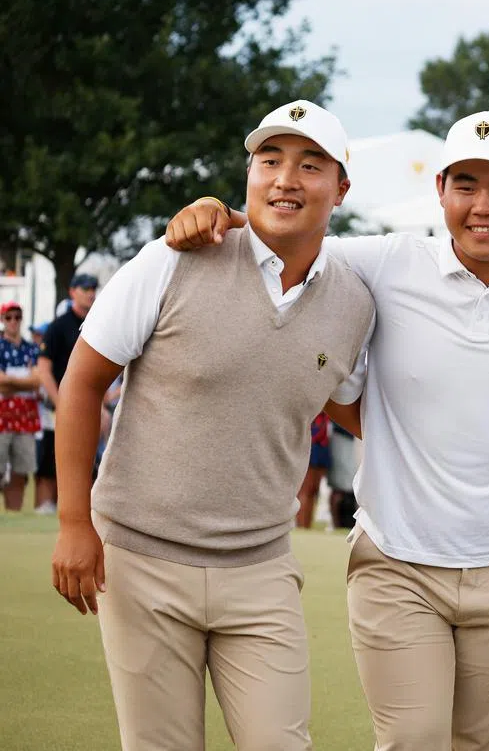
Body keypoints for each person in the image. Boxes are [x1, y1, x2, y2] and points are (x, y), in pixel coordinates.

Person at [164, 110, 489, 751]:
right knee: (414, 739)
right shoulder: (384, 261)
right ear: (440, 189)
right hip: (398, 565)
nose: (481, 205)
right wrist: (214, 208)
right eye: (465, 183)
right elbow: (283, 234)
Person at [50, 99, 375, 751]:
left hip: (260, 568)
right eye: (269, 160)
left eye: (311, 165)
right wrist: (73, 522)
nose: (285, 178)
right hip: (141, 561)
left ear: (341, 188)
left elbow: (348, 406)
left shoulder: (354, 301)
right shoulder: (172, 259)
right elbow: (82, 383)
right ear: (248, 172)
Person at [36, 273, 98, 513]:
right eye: (85, 288)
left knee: (90, 458)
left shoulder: (98, 321)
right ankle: (47, 510)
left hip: (91, 406)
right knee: (52, 461)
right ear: (72, 291)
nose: (91, 292)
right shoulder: (59, 325)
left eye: (93, 287)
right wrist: (61, 404)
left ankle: (86, 511)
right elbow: (43, 369)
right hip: (59, 405)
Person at [0, 301, 41, 512]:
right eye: (9, 317)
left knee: (20, 470)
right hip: (2, 416)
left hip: (25, 416)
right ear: (2, 320)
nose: (13, 321)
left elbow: (37, 380)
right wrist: (25, 379)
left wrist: (10, 381)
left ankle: (13, 514)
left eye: (17, 316)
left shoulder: (31, 348)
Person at [296, 412, 331, 529]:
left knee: (314, 490)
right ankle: (302, 527)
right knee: (306, 489)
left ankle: (307, 526)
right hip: (311, 438)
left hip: (322, 441)